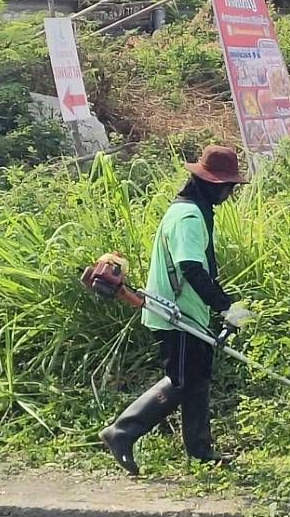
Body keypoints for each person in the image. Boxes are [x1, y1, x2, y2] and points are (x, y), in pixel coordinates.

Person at [98, 145, 253, 476]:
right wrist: (225, 306)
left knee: (197, 379)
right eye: (228, 187)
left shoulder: (188, 209)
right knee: (182, 381)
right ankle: (122, 431)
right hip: (176, 314)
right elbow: (191, 268)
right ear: (213, 184)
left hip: (189, 312)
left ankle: (201, 451)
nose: (229, 193)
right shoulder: (188, 217)